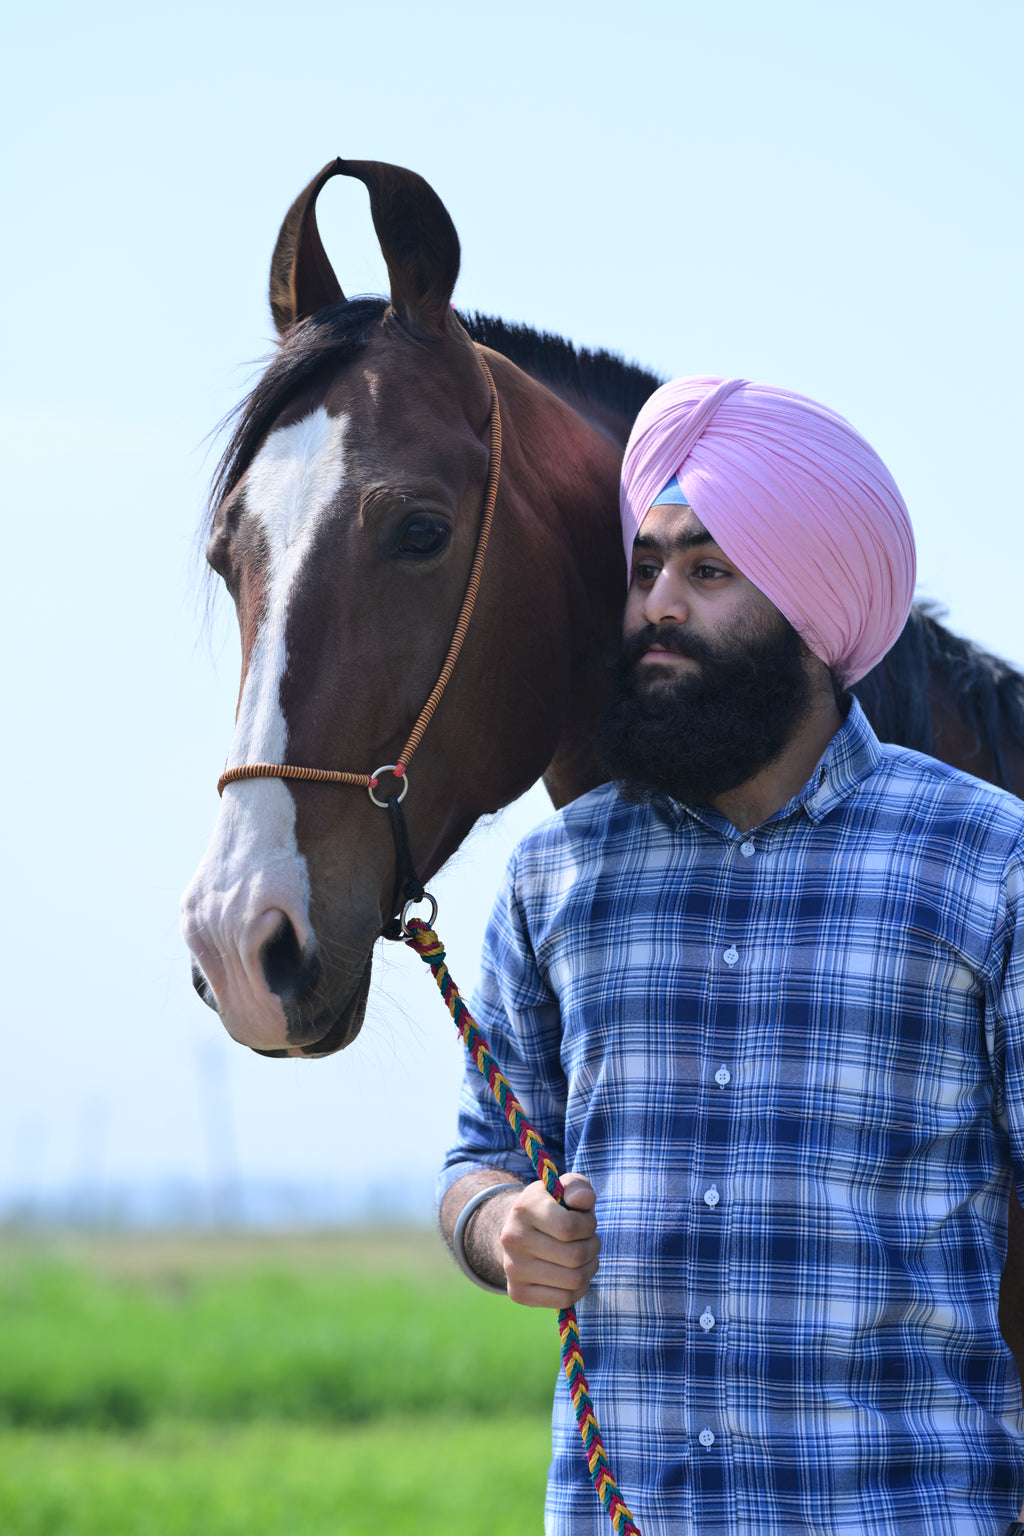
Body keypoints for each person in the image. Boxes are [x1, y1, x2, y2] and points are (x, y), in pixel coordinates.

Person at [438, 375, 1024, 1536]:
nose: (657, 604)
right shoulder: (555, 876)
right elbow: (480, 1156)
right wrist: (496, 1226)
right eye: (645, 565)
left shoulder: (985, 863)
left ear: (815, 608)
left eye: (707, 572)